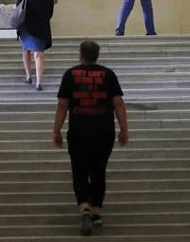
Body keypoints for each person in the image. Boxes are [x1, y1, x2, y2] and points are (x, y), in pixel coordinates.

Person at [54, 40, 129, 236]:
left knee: (79, 171)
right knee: (98, 170)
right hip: (104, 132)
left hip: (78, 132)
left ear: (80, 55)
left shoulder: (70, 74)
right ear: (97, 55)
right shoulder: (108, 74)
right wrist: (124, 129)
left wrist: (56, 130)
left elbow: (63, 105)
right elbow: (118, 103)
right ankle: (97, 211)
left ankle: (84, 208)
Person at [16, 0, 54, 91]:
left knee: (26, 49)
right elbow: (50, 13)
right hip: (41, 27)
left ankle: (28, 76)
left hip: (26, 25)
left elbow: (18, 5)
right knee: (38, 54)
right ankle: (39, 83)